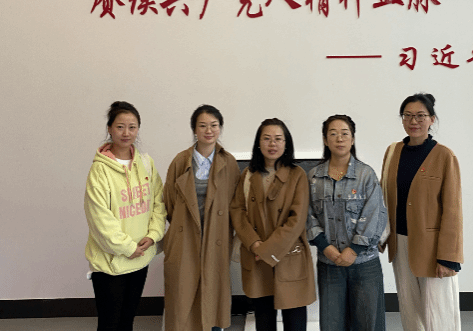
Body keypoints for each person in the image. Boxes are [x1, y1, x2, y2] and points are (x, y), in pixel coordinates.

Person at [381, 93, 463, 331]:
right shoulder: (392, 152)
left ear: (432, 119)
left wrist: (448, 257)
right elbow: (383, 197)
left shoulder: (444, 156)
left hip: (433, 248)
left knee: (439, 314)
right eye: (407, 115)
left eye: (420, 116)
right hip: (400, 244)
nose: (413, 121)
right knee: (410, 311)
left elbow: (453, 210)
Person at [84, 101, 167, 331]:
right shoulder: (100, 170)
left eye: (132, 127)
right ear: (109, 129)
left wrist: (153, 235)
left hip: (140, 257)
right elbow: (100, 219)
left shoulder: (146, 163)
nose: (126, 133)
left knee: (127, 321)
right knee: (110, 324)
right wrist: (128, 247)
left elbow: (158, 203)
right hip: (110, 263)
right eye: (120, 127)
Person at [230, 118, 316, 331]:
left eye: (278, 139)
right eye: (267, 138)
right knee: (264, 320)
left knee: (295, 322)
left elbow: (297, 220)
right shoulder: (248, 174)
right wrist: (254, 243)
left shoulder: (297, 175)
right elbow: (237, 211)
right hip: (257, 258)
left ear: (286, 143)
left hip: (289, 257)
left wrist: (266, 250)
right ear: (258, 143)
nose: (272, 144)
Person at [163, 105, 241, 331]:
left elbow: (236, 203)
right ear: (194, 129)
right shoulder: (180, 161)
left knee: (212, 291)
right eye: (203, 125)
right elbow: (169, 201)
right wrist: (183, 225)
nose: (209, 130)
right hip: (185, 236)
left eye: (214, 125)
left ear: (220, 128)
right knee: (183, 292)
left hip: (216, 237)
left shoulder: (229, 162)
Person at [307, 114, 387, 331]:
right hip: (329, 264)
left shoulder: (365, 174)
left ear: (352, 139)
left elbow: (375, 215)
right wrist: (326, 248)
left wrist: (354, 250)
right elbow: (308, 216)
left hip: (364, 264)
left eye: (345, 134)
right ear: (325, 140)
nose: (339, 138)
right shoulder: (314, 177)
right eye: (333, 134)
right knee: (332, 324)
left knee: (368, 323)